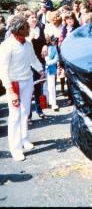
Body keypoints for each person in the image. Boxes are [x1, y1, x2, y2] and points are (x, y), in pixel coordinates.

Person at [0, 15, 45, 161]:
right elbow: (3, 71)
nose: (29, 28)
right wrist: (10, 91)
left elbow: (33, 59)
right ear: (18, 29)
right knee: (14, 117)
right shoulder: (6, 46)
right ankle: (15, 148)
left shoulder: (27, 43)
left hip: (28, 81)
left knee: (25, 113)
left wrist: (41, 70)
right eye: (26, 26)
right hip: (14, 84)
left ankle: (24, 139)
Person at [24, 10, 48, 123]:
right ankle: (28, 115)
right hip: (28, 63)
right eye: (31, 17)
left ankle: (40, 111)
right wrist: (30, 38)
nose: (34, 19)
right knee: (29, 89)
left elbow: (44, 41)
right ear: (26, 19)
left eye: (35, 17)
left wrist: (45, 46)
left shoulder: (40, 28)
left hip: (39, 61)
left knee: (39, 88)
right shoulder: (24, 30)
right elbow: (23, 46)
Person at [42, 35, 59, 111]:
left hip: (51, 69)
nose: (47, 41)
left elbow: (56, 59)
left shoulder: (53, 48)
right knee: (44, 86)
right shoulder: (41, 48)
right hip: (42, 70)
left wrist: (48, 62)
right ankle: (46, 101)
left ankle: (53, 103)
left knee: (51, 86)